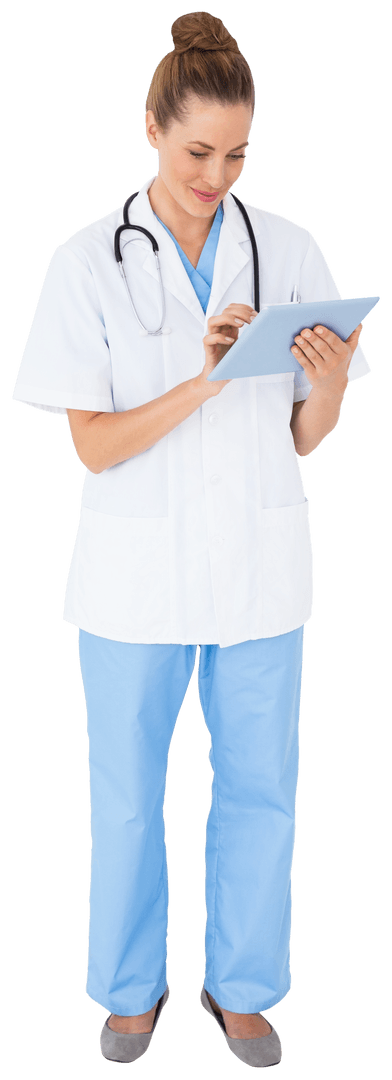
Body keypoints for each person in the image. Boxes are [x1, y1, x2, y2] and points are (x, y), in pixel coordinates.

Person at [11, 9, 371, 1069]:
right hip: (132, 581)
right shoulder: (86, 262)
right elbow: (91, 444)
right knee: (126, 798)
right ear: (151, 128)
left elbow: (303, 438)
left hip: (259, 573)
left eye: (237, 153)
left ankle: (242, 988)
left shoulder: (289, 246)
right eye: (196, 151)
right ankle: (129, 991)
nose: (217, 173)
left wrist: (319, 388)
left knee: (261, 788)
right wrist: (206, 379)